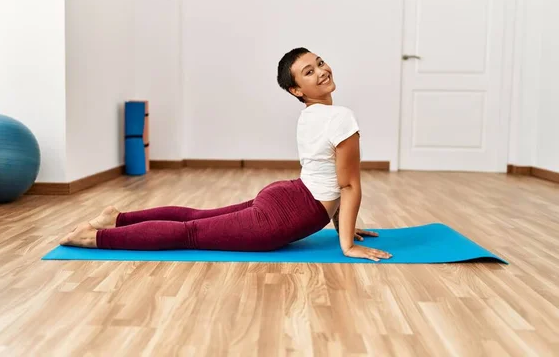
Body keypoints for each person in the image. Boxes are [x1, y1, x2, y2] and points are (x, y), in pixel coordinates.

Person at [60, 47, 392, 261]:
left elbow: (331, 178)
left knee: (196, 217)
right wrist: (347, 244)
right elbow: (347, 186)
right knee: (191, 234)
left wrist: (342, 226)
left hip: (288, 195)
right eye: (309, 72)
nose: (321, 71)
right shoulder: (340, 117)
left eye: (319, 63)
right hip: (284, 214)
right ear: (296, 90)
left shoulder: (312, 115)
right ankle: (95, 237)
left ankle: (116, 218)